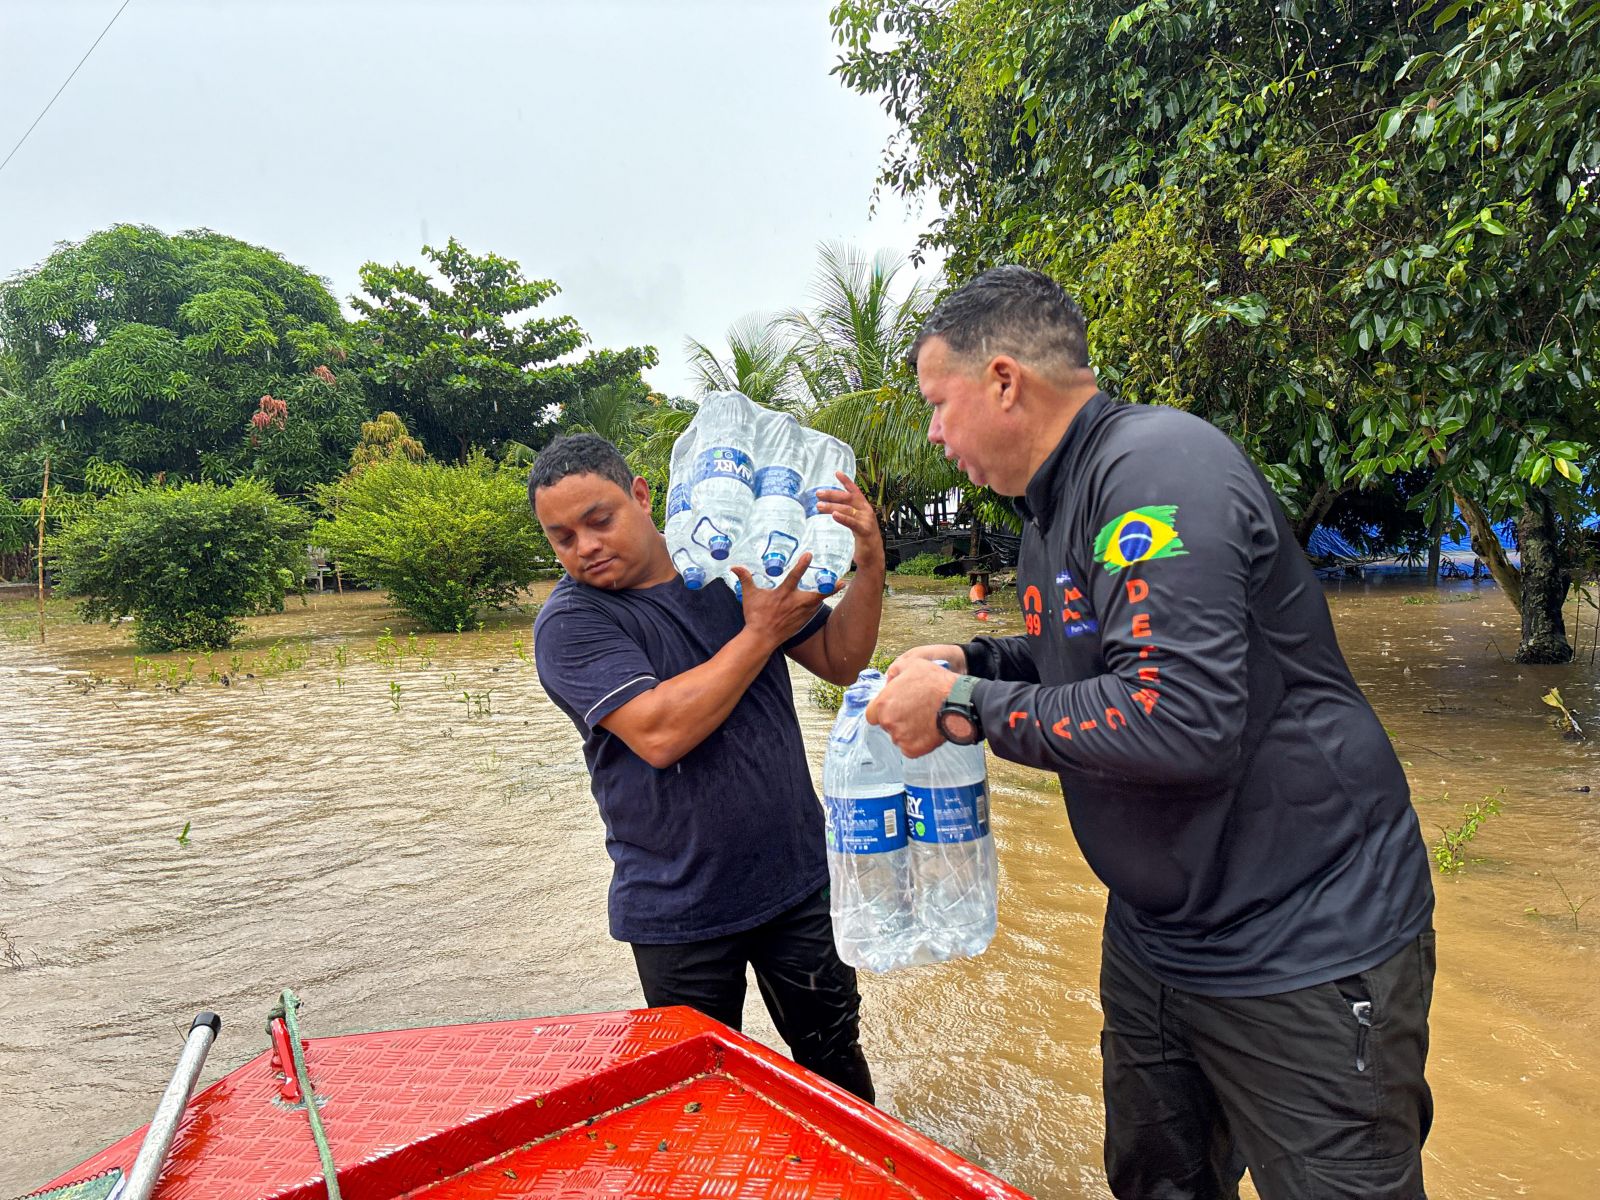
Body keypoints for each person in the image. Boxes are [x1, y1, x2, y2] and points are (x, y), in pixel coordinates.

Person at [867, 267, 1436, 1198]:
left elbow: (1177, 716)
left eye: (939, 402)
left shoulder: (1155, 469)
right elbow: (1089, 648)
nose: (932, 431)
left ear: (1004, 380)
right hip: (1159, 943)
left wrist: (965, 706)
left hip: (1304, 941)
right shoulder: (1048, 511)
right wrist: (976, 658)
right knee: (1156, 1182)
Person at [528, 432, 883, 1102]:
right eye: (563, 537)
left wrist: (870, 561)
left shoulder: (737, 567)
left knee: (834, 1057)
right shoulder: (571, 624)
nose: (586, 547)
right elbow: (660, 733)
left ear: (641, 496)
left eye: (599, 520)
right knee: (700, 1100)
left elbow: (841, 660)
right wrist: (759, 633)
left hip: (796, 882)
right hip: (676, 907)